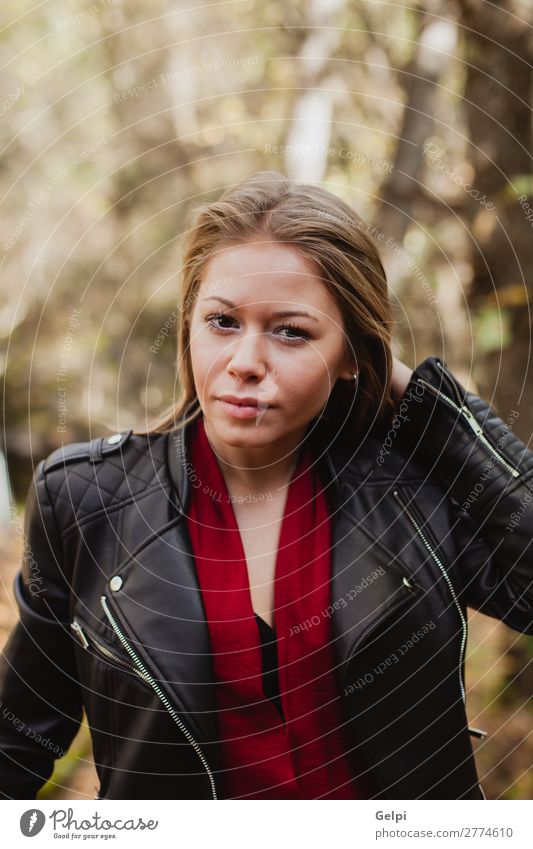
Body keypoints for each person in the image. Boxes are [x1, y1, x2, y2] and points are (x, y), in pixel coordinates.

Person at [0, 170, 531, 800]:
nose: (246, 362)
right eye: (222, 321)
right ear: (189, 326)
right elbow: (20, 740)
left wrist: (428, 401)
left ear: (353, 354)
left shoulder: (416, 492)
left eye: (292, 332)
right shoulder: (88, 502)